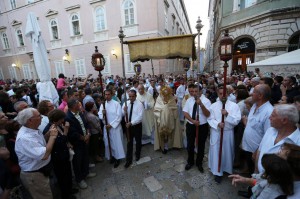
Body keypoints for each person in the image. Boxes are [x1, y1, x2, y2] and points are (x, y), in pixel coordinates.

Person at [15, 108, 58, 199]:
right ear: (30, 120)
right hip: (35, 175)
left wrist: (48, 134)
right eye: (38, 116)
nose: (41, 117)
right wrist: (53, 136)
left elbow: (40, 144)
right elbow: (44, 155)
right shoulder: (25, 138)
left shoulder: (33, 129)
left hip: (42, 171)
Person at [207, 85, 241, 183]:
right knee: (216, 151)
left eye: (224, 93)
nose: (222, 95)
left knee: (226, 151)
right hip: (217, 132)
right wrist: (217, 124)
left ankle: (226, 168)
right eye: (220, 93)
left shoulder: (234, 106)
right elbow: (210, 118)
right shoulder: (213, 106)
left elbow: (237, 120)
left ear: (228, 93)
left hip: (227, 133)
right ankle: (217, 172)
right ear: (217, 93)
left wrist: (227, 114)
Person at [256, 104, 300, 174]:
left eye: (273, 115)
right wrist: (256, 173)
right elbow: (259, 151)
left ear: (284, 120)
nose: (269, 118)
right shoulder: (270, 130)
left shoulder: (298, 142)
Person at [43, 109, 76, 199]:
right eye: (61, 119)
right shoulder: (49, 130)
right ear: (55, 120)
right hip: (58, 159)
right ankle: (66, 195)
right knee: (63, 178)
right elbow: (59, 143)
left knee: (68, 174)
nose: (63, 121)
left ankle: (70, 190)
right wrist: (66, 131)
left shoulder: (58, 125)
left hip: (64, 156)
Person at [241, 84, 273, 174]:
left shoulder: (269, 112)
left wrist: (257, 152)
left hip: (256, 151)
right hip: (248, 147)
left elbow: (268, 135)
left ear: (260, 96)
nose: (251, 93)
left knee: (255, 174)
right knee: (250, 171)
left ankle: (251, 187)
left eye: (254, 92)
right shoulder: (254, 106)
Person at [230, 153, 294, 199]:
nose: (278, 151)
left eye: (280, 152)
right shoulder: (275, 177)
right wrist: (244, 179)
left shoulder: (270, 192)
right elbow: (258, 183)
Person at [65, 99, 96, 189]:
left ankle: (86, 172)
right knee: (77, 162)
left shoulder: (80, 113)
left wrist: (88, 134)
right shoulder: (68, 117)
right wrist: (83, 138)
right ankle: (79, 179)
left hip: (85, 140)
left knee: (85, 157)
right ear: (73, 106)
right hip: (77, 143)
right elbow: (72, 132)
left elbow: (86, 124)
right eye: (78, 104)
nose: (80, 105)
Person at [183, 85, 211, 172]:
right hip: (191, 125)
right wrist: (192, 121)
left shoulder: (206, 101)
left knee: (201, 145)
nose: (194, 93)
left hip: (202, 126)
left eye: (196, 91)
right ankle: (190, 161)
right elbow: (185, 112)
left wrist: (201, 105)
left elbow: (208, 114)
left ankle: (199, 162)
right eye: (192, 91)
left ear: (200, 91)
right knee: (190, 144)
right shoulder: (189, 100)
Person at [99, 89, 125, 168]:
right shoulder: (103, 105)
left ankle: (118, 158)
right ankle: (111, 156)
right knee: (108, 143)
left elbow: (119, 116)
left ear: (112, 95)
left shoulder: (116, 104)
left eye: (108, 94)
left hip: (115, 128)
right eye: (105, 94)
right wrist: (103, 114)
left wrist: (111, 125)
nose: (107, 96)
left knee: (116, 143)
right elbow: (100, 115)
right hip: (106, 127)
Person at [153, 86, 182, 153]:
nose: (165, 96)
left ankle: (169, 145)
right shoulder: (159, 99)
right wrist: (163, 109)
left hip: (170, 119)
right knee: (163, 133)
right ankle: (163, 146)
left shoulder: (171, 98)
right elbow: (156, 108)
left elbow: (175, 107)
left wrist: (169, 109)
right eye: (164, 94)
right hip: (161, 119)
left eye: (167, 94)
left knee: (170, 133)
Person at [122, 90, 144, 168]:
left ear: (135, 96)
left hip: (136, 126)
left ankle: (137, 154)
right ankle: (128, 160)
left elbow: (140, 117)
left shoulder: (139, 104)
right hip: (128, 127)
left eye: (132, 96)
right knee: (129, 142)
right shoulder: (126, 103)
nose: (131, 98)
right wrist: (124, 111)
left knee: (138, 141)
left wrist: (131, 122)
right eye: (129, 96)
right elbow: (123, 114)